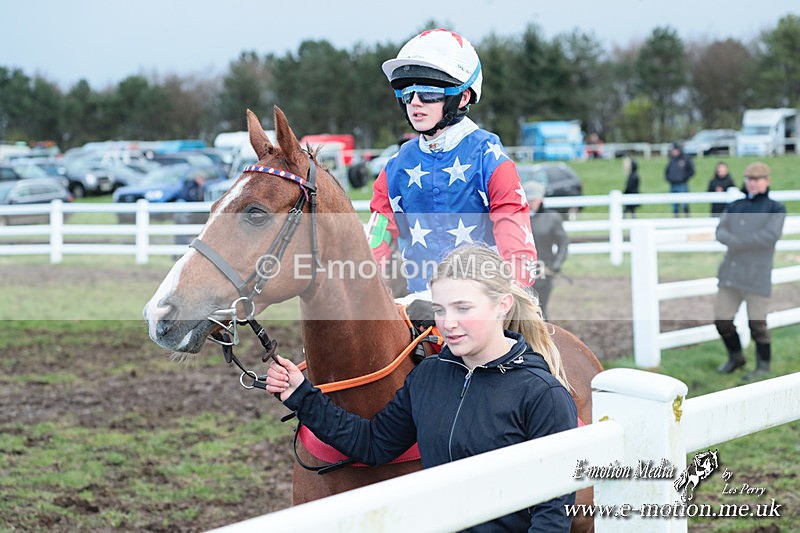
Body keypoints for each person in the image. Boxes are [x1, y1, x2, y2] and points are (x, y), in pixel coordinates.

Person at [266, 244, 577, 531]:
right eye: (440, 310)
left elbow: (553, 514)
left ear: (502, 305)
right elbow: (372, 443)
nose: (448, 323)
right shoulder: (428, 376)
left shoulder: (542, 394)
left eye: (462, 308)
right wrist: (301, 395)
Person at [366, 29, 537, 297]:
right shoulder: (394, 167)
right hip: (419, 304)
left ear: (463, 97)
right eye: (407, 93)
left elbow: (518, 252)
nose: (415, 102)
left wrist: (511, 296)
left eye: (428, 92)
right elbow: (376, 242)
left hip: (485, 307)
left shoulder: (491, 160)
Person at [714, 162, 786, 380]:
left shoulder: (775, 208)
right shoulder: (735, 206)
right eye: (749, 179)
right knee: (722, 319)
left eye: (757, 179)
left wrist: (738, 242)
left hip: (757, 274)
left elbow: (769, 236)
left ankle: (763, 367)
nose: (752, 183)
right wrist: (732, 239)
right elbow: (720, 230)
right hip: (731, 273)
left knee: (757, 323)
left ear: (766, 181)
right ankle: (736, 357)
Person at [523, 181, 569, 319]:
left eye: (534, 200)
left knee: (539, 310)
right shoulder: (518, 218)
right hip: (522, 272)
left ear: (541, 198)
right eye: (528, 200)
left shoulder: (551, 218)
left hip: (543, 272)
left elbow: (563, 242)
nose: (531, 203)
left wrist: (556, 264)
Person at [664, 143, 695, 217]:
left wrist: (684, 178)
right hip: (673, 184)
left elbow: (691, 171)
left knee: (684, 203)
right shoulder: (671, 160)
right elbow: (667, 171)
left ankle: (687, 218)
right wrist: (668, 178)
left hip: (682, 184)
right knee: (674, 205)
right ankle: (676, 218)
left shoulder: (685, 159)